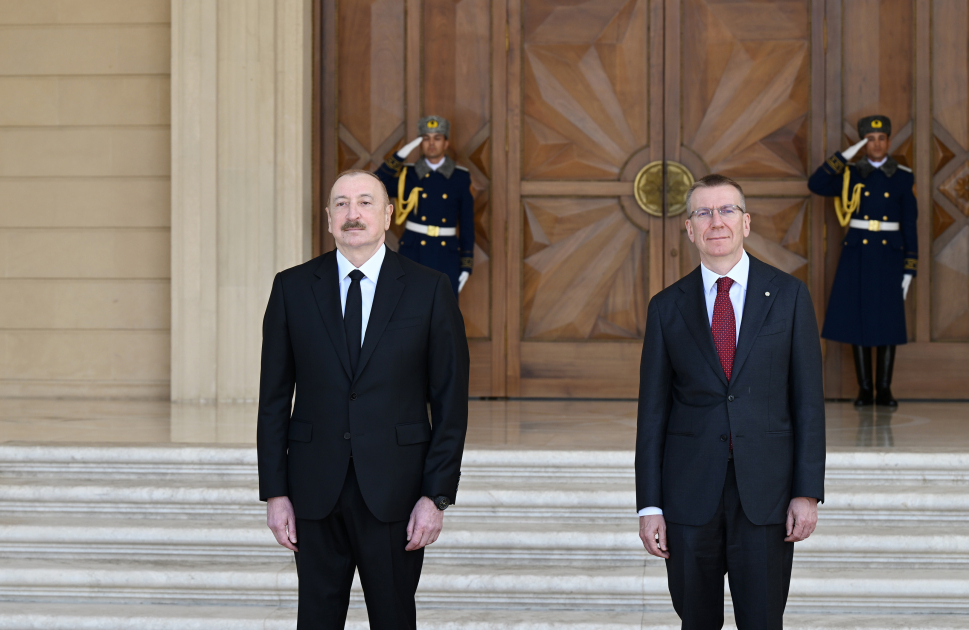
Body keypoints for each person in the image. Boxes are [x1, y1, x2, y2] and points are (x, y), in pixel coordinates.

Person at [257, 170, 470, 629]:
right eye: (341, 203)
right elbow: (273, 400)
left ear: (388, 215)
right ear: (328, 218)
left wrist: (436, 496)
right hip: (313, 491)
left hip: (398, 492)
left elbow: (450, 403)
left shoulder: (429, 289)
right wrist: (275, 492)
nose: (352, 214)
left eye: (365, 202)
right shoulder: (292, 288)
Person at [636, 174, 826, 630]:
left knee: (762, 621)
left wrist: (807, 492)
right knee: (696, 621)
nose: (715, 222)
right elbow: (653, 414)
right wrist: (650, 506)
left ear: (746, 222)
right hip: (688, 496)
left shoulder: (789, 296)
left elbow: (807, 403)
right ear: (689, 229)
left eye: (726, 210)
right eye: (703, 213)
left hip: (766, 495)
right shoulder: (666, 307)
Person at [808, 115, 917, 408]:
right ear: (863, 144)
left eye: (881, 139)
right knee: (857, 319)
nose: (876, 144)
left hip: (889, 254)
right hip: (858, 253)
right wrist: (845, 156)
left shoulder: (903, 176)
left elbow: (909, 224)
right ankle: (865, 389)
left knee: (889, 322)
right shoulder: (851, 173)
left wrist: (910, 266)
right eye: (870, 139)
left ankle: (885, 389)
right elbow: (816, 183)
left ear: (889, 142)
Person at [374, 115, 475, 297]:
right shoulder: (408, 174)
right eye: (426, 138)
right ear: (420, 143)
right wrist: (399, 156)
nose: (431, 143)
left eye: (437, 138)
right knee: (409, 306)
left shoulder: (459, 177)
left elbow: (467, 222)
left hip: (446, 254)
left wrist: (466, 264)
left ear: (446, 143)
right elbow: (375, 185)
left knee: (443, 310)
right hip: (414, 251)